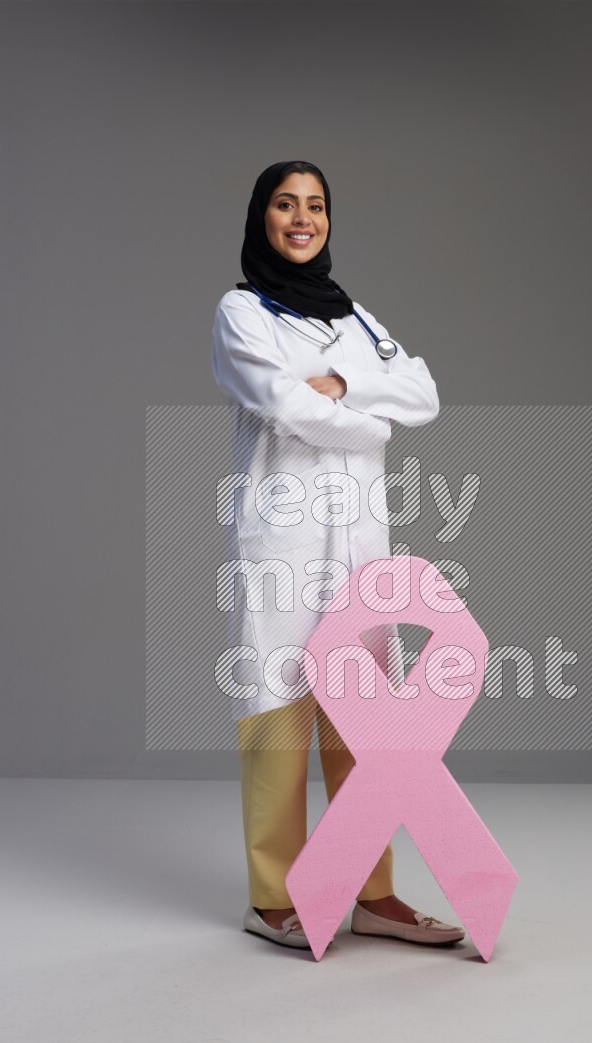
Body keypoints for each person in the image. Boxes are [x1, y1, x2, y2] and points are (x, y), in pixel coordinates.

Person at [211, 160, 465, 951]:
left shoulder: (354, 317)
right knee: (277, 716)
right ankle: (273, 897)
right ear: (262, 217)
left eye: (315, 206)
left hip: (357, 540)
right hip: (281, 536)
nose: (301, 218)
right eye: (285, 204)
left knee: (365, 720)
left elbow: (423, 390)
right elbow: (285, 403)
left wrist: (341, 382)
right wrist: (370, 416)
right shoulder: (240, 311)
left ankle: (371, 892)